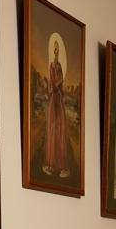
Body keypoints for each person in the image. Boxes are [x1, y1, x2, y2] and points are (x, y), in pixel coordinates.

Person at [43, 40, 70, 178]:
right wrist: (59, 82)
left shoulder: (58, 65)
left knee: (60, 130)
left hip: (59, 99)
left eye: (57, 50)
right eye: (54, 50)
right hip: (54, 98)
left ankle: (61, 165)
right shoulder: (52, 66)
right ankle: (50, 164)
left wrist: (60, 83)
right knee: (52, 129)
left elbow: (60, 81)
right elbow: (53, 82)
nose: (56, 52)